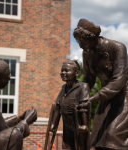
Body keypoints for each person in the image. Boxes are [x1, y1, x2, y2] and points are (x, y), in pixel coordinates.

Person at [73, 18, 128, 150]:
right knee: (97, 139)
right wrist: (78, 94)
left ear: (93, 38)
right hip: (105, 99)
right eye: (78, 42)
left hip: (123, 97)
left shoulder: (117, 48)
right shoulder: (87, 53)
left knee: (112, 137)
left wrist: (92, 99)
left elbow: (118, 80)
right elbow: (88, 79)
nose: (81, 45)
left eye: (83, 41)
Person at [0, 60, 37, 150]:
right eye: (7, 78)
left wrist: (18, 119)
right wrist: (26, 122)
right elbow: (5, 133)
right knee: (15, 134)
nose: (9, 80)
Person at [49, 60, 90, 150]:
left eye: (67, 70)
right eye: (62, 71)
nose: (63, 73)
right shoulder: (64, 88)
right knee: (66, 147)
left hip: (78, 125)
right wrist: (54, 124)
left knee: (79, 147)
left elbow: (84, 107)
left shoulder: (82, 87)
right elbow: (58, 107)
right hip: (67, 126)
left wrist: (85, 125)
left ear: (77, 73)